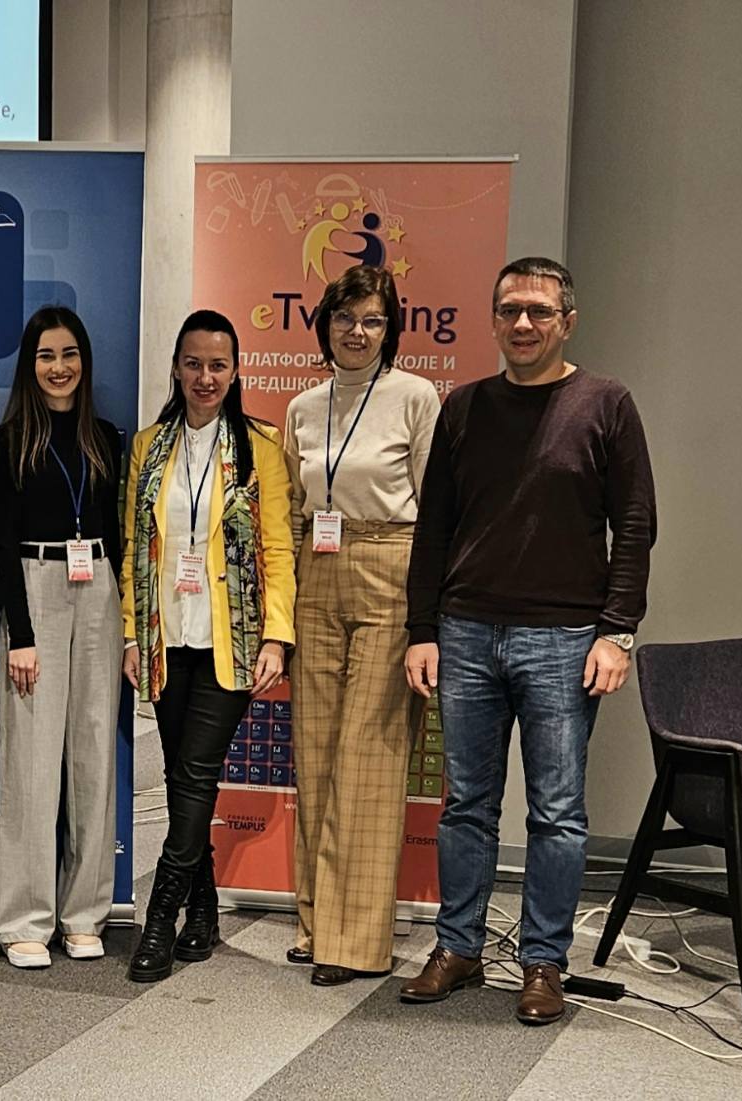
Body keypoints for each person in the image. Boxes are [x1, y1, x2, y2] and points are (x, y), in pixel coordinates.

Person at [400, 258, 656, 1025]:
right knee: (466, 805)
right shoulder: (464, 407)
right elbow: (434, 527)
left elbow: (635, 525)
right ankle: (459, 946)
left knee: (558, 812)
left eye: (539, 311)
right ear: (492, 319)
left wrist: (617, 631)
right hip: (467, 633)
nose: (523, 323)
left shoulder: (606, 403)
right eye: (510, 309)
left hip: (566, 640)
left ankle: (544, 962)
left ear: (567, 321)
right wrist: (423, 629)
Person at [120, 309, 296, 983]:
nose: (205, 377)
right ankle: (205, 911)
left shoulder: (259, 447)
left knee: (194, 774)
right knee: (181, 777)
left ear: (236, 370)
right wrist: (132, 633)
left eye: (218, 365)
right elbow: (133, 549)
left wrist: (277, 636)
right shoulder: (148, 447)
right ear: (176, 367)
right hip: (166, 636)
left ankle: (160, 914)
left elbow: (278, 547)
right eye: (193, 363)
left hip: (232, 638)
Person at [283, 265, 440, 986]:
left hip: (389, 567)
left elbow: (435, 512)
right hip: (316, 571)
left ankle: (354, 941)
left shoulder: (415, 396)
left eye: (372, 319)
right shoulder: (303, 406)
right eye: (345, 318)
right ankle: (317, 921)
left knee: (368, 759)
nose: (357, 331)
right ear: (325, 324)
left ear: (390, 328)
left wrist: (428, 616)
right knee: (315, 755)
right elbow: (293, 509)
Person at [0, 307, 125, 969]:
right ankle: (24, 918)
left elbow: (119, 537)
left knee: (94, 755)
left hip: (98, 584)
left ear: (84, 361)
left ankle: (84, 913)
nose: (59, 366)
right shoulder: (9, 440)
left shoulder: (106, 438)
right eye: (46, 355)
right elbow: (1, 540)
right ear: (30, 364)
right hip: (35, 585)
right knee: (31, 763)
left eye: (69, 354)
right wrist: (21, 632)